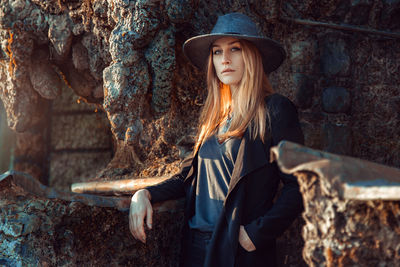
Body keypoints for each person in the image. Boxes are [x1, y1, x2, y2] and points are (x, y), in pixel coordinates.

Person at [129, 13, 304, 267]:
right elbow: (188, 177)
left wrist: (256, 234)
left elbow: (299, 185)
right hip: (195, 248)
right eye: (217, 52)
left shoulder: (275, 110)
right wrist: (143, 194)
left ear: (252, 56)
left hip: (238, 250)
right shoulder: (213, 118)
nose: (226, 60)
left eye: (235, 49)